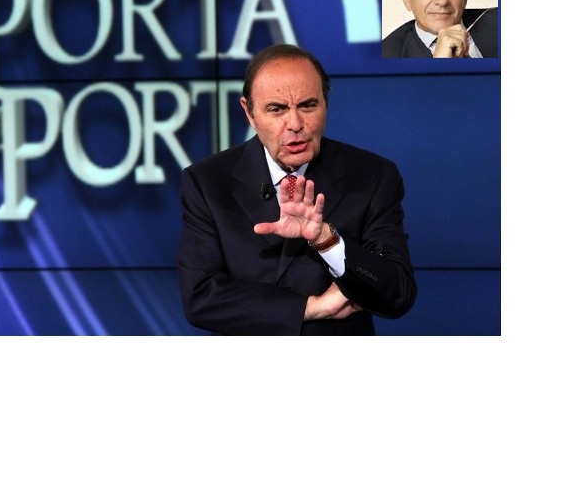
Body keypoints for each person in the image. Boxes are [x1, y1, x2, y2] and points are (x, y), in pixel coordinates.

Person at [177, 44, 417, 335]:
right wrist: (310, 307)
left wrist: (327, 240)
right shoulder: (208, 181)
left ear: (326, 103)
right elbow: (201, 297)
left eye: (308, 105)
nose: (295, 124)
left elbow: (398, 294)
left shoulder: (371, 176)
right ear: (249, 113)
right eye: (276, 109)